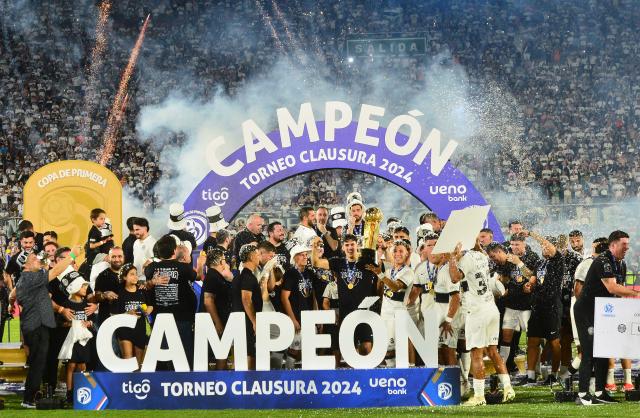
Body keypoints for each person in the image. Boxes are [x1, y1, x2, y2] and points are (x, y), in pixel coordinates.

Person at [574, 231, 640, 405]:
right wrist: (637, 293)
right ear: (612, 245)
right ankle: (582, 395)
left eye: (628, 244)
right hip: (586, 311)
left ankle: (600, 391)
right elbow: (612, 288)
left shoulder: (621, 263)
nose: (627, 247)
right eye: (623, 244)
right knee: (588, 352)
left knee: (604, 351)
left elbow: (619, 291)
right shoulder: (603, 260)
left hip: (604, 311)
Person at [15, 244, 82, 408]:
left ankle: (30, 396)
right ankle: (29, 399)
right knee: (39, 363)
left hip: (34, 325)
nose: (37, 260)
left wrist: (11, 302)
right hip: (37, 326)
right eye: (33, 259)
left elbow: (12, 294)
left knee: (38, 363)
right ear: (25, 265)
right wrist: (72, 256)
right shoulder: (31, 277)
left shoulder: (26, 278)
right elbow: (56, 271)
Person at [450, 243, 515, 406]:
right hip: (491, 308)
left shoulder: (465, 259)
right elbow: (478, 250)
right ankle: (508, 388)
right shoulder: (482, 256)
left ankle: (479, 396)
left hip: (476, 311)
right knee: (493, 351)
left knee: (476, 354)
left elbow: (454, 278)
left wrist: (452, 258)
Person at [311, 234, 378, 355]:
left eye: (352, 244)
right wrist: (314, 245)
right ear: (343, 247)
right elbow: (316, 262)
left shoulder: (366, 262)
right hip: (345, 313)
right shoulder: (338, 263)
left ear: (357, 245)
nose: (350, 247)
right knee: (350, 351)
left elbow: (380, 278)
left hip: (364, 313)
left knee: (367, 348)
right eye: (347, 245)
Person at [144, 235, 197, 367]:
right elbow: (196, 276)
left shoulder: (151, 268)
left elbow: (146, 280)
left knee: (162, 358)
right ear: (174, 251)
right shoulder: (184, 268)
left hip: (159, 319)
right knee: (184, 357)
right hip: (182, 319)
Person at [521, 232, 565, 386]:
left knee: (554, 342)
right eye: (542, 247)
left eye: (546, 246)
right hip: (538, 306)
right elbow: (533, 279)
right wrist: (529, 286)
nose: (544, 249)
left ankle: (554, 374)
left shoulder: (558, 260)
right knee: (532, 340)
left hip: (552, 305)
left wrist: (531, 234)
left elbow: (549, 246)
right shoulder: (540, 263)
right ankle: (531, 376)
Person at [379, 240, 416, 367]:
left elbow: (395, 287)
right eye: (395, 250)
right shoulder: (389, 271)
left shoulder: (408, 272)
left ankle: (403, 378)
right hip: (385, 315)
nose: (397, 253)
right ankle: (390, 378)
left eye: (401, 251)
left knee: (397, 351)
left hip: (398, 315)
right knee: (386, 350)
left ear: (407, 254)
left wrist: (379, 274)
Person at [61, 276, 95, 403]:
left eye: (86, 286)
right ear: (74, 287)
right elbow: (60, 323)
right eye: (83, 286)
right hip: (72, 341)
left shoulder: (87, 304)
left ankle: (88, 388)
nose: (85, 289)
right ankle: (69, 394)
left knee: (83, 366)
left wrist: (89, 323)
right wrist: (70, 324)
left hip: (84, 341)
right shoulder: (66, 304)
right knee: (71, 365)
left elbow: (93, 322)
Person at [281, 243, 315, 368]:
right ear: (294, 257)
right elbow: (284, 298)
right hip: (296, 315)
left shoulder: (309, 273)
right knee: (294, 348)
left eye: (306, 255)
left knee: (307, 349)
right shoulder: (290, 273)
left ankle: (303, 376)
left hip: (309, 316)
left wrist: (316, 315)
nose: (305, 257)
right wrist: (292, 319)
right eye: (302, 255)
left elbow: (314, 296)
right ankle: (288, 373)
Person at [201, 248, 233, 370]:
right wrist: (218, 323)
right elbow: (208, 301)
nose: (225, 263)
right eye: (224, 260)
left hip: (218, 319)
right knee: (221, 353)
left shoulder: (215, 276)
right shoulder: (213, 277)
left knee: (222, 353)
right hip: (215, 322)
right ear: (220, 262)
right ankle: (220, 380)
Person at [115, 264, 152, 368]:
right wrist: (127, 314)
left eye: (136, 274)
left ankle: (138, 384)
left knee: (139, 363)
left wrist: (146, 312)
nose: (135, 277)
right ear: (124, 277)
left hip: (140, 328)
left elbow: (150, 306)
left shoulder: (142, 290)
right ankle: (127, 383)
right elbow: (114, 313)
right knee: (128, 361)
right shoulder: (119, 293)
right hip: (124, 329)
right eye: (132, 274)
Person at [232, 244, 262, 370]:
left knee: (246, 351)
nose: (260, 256)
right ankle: (249, 382)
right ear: (251, 256)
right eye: (258, 253)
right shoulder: (247, 276)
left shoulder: (242, 275)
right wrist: (254, 321)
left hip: (243, 320)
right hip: (246, 322)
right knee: (249, 351)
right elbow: (246, 299)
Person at [85, 208, 114, 274]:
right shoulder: (94, 231)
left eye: (104, 219)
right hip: (93, 256)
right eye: (101, 219)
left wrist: (106, 239)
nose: (103, 221)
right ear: (93, 220)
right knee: (111, 258)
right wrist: (102, 242)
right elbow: (91, 246)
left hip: (97, 255)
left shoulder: (98, 231)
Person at [132, 217, 156, 282]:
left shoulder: (153, 242)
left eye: (137, 229)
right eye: (134, 230)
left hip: (147, 280)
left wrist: (150, 260)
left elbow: (158, 259)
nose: (135, 232)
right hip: (136, 279)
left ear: (145, 228)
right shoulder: (136, 242)